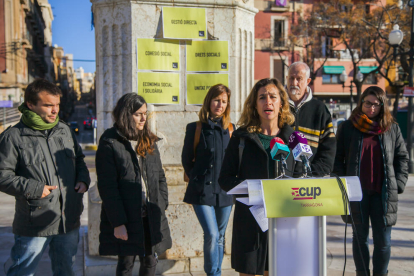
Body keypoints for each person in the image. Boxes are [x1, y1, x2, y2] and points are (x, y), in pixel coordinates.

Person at [0, 78, 91, 275]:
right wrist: (34, 188)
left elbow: (80, 160)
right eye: (48, 105)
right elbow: (2, 176)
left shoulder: (64, 130)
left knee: (65, 270)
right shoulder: (13, 136)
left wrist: (83, 180)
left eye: (57, 105)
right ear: (31, 105)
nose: (55, 110)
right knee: (21, 271)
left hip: (68, 220)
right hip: (34, 224)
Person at [219, 78, 296, 276]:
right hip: (250, 222)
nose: (267, 102)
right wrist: (252, 190)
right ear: (255, 104)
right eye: (262, 97)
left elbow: (302, 176)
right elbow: (225, 178)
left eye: (273, 97)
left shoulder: (293, 139)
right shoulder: (241, 137)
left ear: (281, 103)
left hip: (282, 223)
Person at [333, 86, 408, 276]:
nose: (371, 108)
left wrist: (398, 183)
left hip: (383, 194)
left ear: (382, 106)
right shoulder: (348, 128)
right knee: (360, 239)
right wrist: (342, 185)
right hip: (357, 194)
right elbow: (337, 159)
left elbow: (402, 158)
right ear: (362, 103)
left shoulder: (392, 128)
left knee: (384, 241)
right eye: (368, 103)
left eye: (376, 104)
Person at [96, 93, 172, 276]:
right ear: (126, 114)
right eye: (138, 114)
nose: (143, 118)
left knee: (150, 260)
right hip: (127, 216)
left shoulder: (148, 140)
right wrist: (118, 222)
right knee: (126, 263)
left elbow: (159, 176)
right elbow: (108, 187)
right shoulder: (110, 142)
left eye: (145, 113)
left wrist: (162, 204)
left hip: (150, 214)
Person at [181, 84, 234, 276]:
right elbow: (186, 159)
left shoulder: (231, 129)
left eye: (224, 101)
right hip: (202, 191)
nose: (219, 105)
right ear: (209, 101)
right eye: (216, 100)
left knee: (220, 237)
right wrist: (197, 178)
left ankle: (216, 272)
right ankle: (214, 274)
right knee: (211, 234)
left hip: (225, 193)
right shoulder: (195, 128)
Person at [286, 61, 336, 176]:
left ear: (308, 81)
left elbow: (328, 149)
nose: (294, 83)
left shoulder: (320, 110)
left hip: (310, 183)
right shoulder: (277, 106)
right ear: (286, 78)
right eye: (291, 78)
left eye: (299, 79)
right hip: (280, 180)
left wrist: (311, 173)